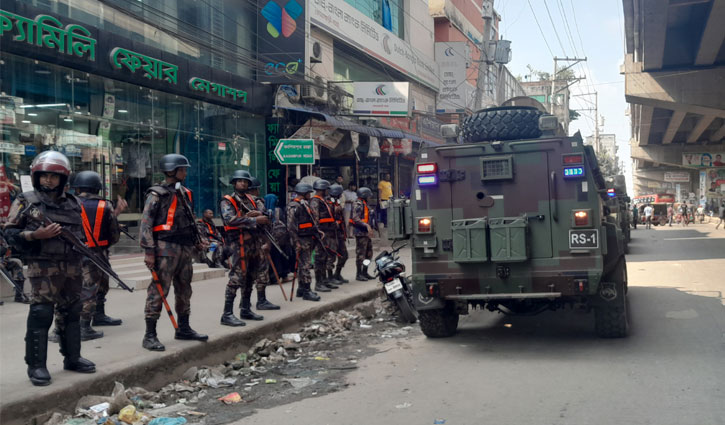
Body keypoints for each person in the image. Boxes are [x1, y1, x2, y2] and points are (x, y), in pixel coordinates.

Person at [4, 151, 95, 386]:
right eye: (44, 176)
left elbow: (80, 233)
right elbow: (9, 233)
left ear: (63, 179)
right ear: (36, 176)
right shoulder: (26, 200)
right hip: (42, 267)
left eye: (54, 177)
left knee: (72, 311)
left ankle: (72, 358)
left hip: (72, 267)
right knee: (41, 314)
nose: (49, 181)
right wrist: (35, 235)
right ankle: (36, 366)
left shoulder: (73, 203)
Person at [140, 154, 208, 351]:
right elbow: (146, 224)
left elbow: (190, 219)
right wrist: (149, 251)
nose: (185, 172)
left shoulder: (185, 193)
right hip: (164, 248)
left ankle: (183, 327)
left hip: (185, 248)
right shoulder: (156, 194)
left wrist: (197, 241)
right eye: (182, 169)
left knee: (185, 288)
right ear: (171, 170)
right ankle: (150, 335)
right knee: (159, 289)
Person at [71, 171, 127, 341]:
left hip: (75, 252)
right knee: (93, 288)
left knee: (92, 287)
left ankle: (98, 316)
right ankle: (84, 327)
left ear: (78, 187)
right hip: (98, 252)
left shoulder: (70, 203)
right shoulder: (105, 205)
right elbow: (114, 234)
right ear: (97, 188)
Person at [219, 170, 272, 327]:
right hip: (238, 244)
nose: (243, 183)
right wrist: (253, 219)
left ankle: (245, 308)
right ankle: (227, 313)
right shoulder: (227, 201)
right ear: (234, 183)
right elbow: (230, 220)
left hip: (254, 243)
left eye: (245, 181)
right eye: (240, 181)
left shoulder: (253, 199)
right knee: (236, 278)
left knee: (250, 276)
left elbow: (266, 215)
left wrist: (261, 214)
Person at [248, 176, 280, 311]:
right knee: (261, 271)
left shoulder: (238, 202)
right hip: (258, 240)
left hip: (245, 242)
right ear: (255, 190)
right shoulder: (257, 202)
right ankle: (261, 300)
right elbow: (268, 222)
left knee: (247, 273)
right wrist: (268, 243)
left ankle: (245, 302)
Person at [287, 183, 321, 301]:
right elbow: (291, 226)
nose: (310, 195)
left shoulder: (305, 204)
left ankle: (301, 289)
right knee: (305, 265)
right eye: (308, 193)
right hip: (301, 239)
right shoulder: (294, 206)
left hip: (308, 237)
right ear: (304, 193)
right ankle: (307, 290)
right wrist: (296, 242)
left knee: (303, 265)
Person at [309, 179, 337, 292]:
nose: (327, 191)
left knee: (325, 258)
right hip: (321, 233)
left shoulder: (323, 200)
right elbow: (315, 218)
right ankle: (318, 283)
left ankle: (324, 281)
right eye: (326, 189)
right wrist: (318, 232)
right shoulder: (315, 201)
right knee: (319, 259)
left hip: (327, 232)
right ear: (322, 190)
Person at [351, 187, 375, 281]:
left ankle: (365, 272)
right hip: (360, 232)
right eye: (368, 196)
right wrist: (365, 225)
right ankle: (359, 273)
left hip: (366, 232)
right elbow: (355, 218)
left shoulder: (365, 204)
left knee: (369, 254)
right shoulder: (358, 204)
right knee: (361, 254)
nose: (370, 198)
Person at [328, 184, 349, 284]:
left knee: (344, 255)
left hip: (340, 234)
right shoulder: (328, 203)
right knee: (331, 257)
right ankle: (330, 277)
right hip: (331, 235)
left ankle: (337, 274)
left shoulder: (337, 202)